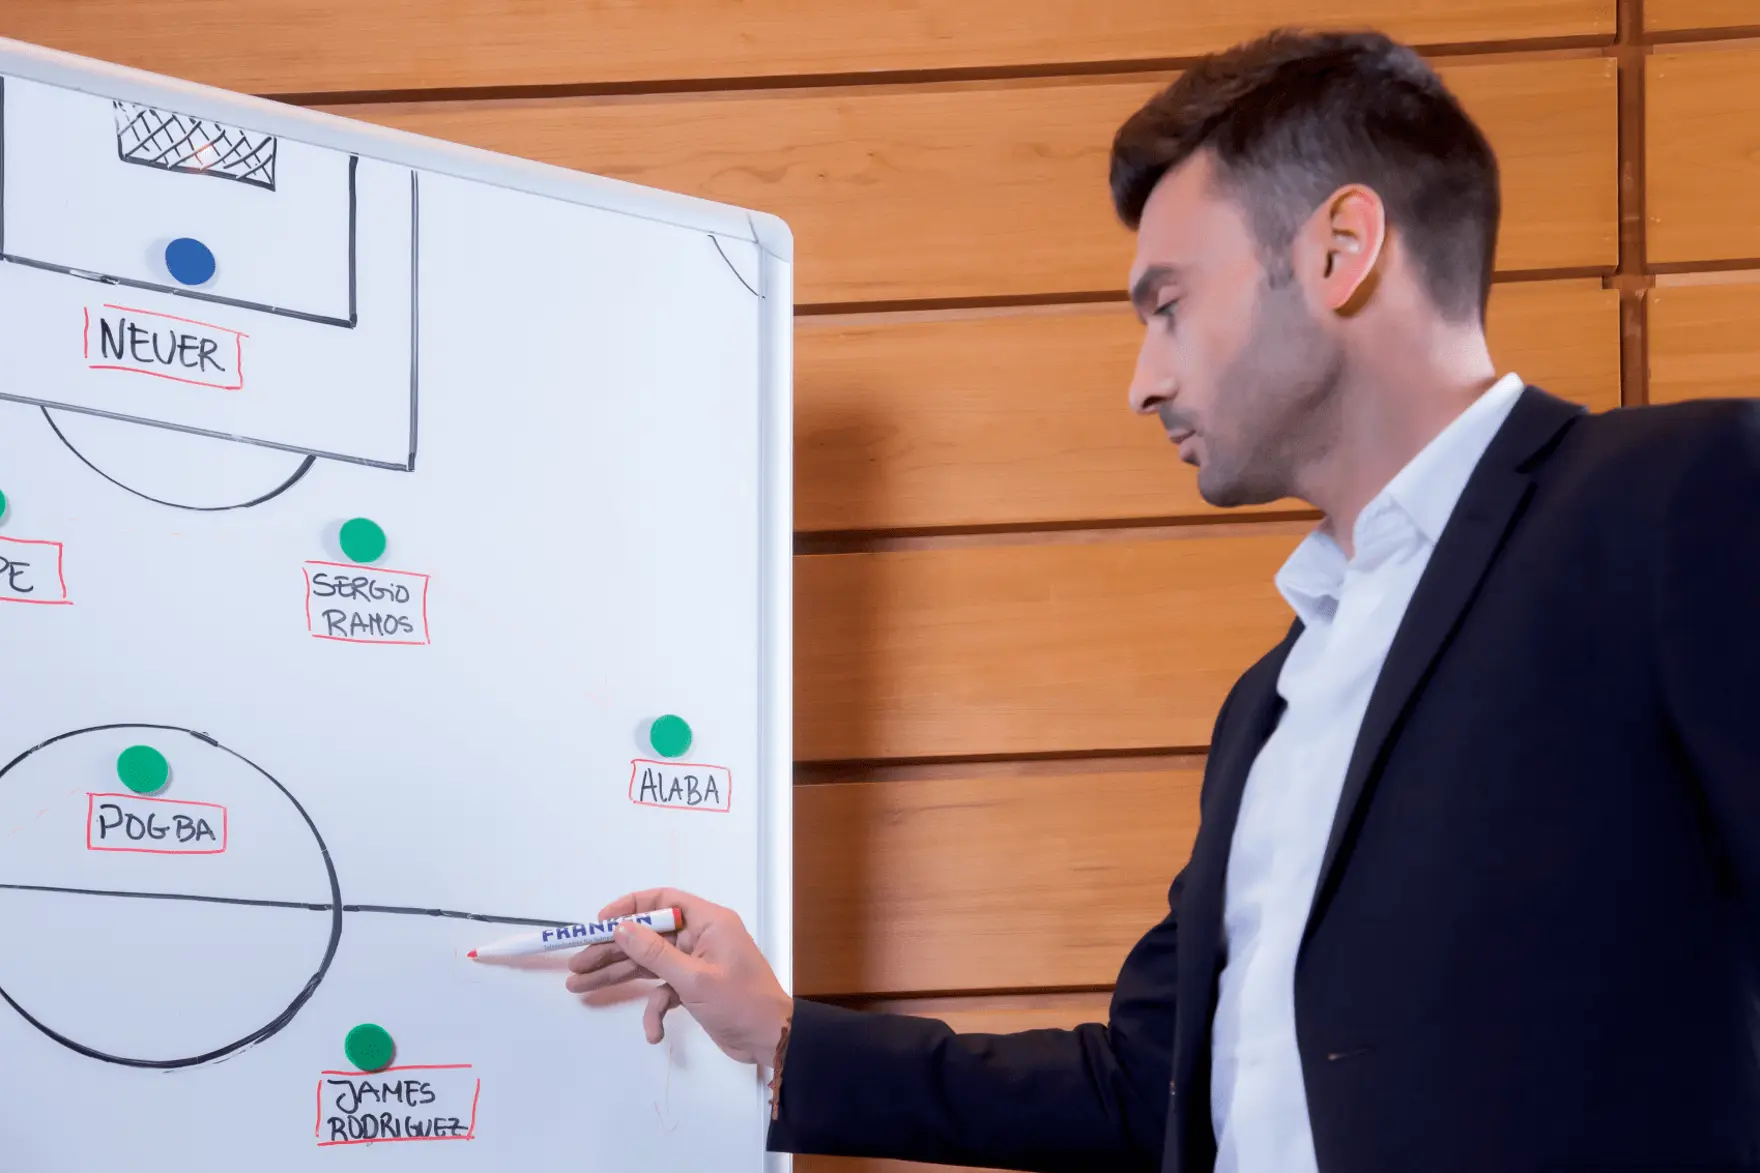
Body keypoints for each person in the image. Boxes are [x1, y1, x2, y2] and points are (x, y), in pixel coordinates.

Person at [565, 27, 1760, 1173]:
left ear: (1340, 251)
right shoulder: (1269, 703)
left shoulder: (1685, 498)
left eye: (1168, 305)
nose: (1143, 382)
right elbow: (1150, 1091)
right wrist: (780, 1034)